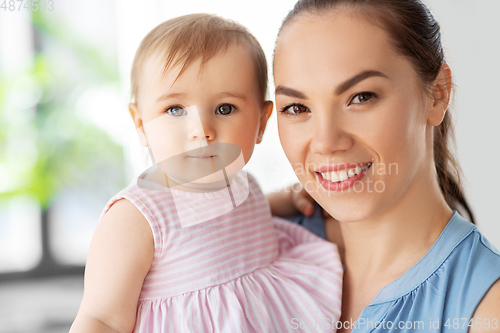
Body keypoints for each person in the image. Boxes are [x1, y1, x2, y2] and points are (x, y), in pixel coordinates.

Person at [69, 13, 343, 333]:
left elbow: (226, 222)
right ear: (141, 124)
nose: (202, 131)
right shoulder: (136, 216)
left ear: (261, 122)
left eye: (224, 109)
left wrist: (284, 199)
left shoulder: (243, 184)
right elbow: (102, 319)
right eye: (175, 110)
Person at [270, 0, 500, 332]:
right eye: (296, 108)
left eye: (361, 97)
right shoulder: (269, 245)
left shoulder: (486, 309)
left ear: (437, 94)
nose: (324, 142)